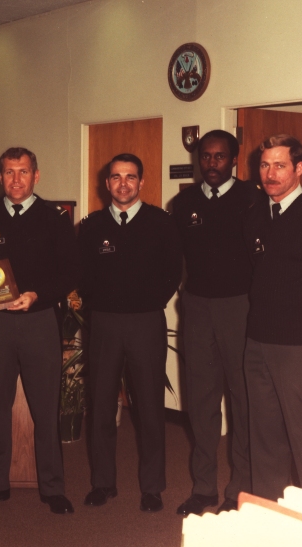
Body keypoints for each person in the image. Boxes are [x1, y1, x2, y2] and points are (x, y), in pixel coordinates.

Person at [0, 147, 80, 515]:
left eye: (24, 172)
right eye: (10, 172)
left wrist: (36, 295)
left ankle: (53, 487)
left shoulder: (55, 218)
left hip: (39, 320)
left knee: (45, 409)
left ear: (36, 175)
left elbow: (69, 273)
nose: (17, 179)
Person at [79, 153, 181, 513]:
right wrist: (100, 305)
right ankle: (102, 483)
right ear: (106, 184)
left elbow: (174, 271)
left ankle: (152, 487)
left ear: (141, 182)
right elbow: (82, 275)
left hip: (145, 324)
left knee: (150, 408)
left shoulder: (161, 222)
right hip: (104, 324)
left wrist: (148, 301)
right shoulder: (91, 226)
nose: (123, 183)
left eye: (131, 177)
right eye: (116, 177)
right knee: (102, 406)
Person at [172, 130, 258, 516]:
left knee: (242, 401)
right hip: (199, 309)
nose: (211, 163)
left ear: (234, 160)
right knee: (202, 401)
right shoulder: (184, 202)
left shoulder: (252, 199)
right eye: (206, 157)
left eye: (220, 157)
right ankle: (204, 488)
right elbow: (174, 258)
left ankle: (238, 488)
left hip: (239, 309)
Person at [242, 134, 302, 500]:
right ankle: (269, 515)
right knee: (265, 435)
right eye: (264, 165)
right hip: (258, 340)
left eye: (280, 165)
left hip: (300, 345)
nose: (270, 173)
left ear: (299, 168)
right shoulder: (257, 213)